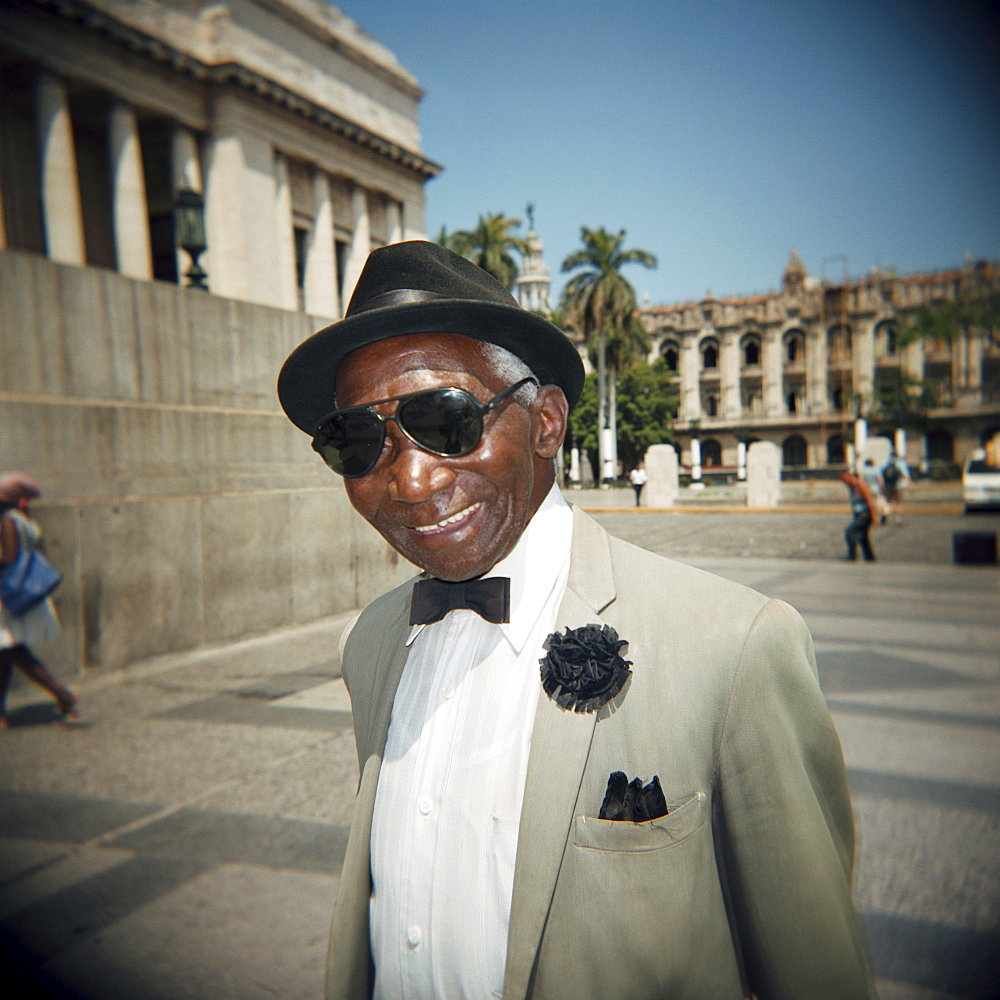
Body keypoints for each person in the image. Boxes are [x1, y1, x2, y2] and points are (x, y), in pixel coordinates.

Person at [277, 241, 874, 1000]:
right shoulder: (368, 644)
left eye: (447, 420)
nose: (411, 476)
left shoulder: (734, 647)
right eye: (358, 441)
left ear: (548, 423)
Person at [0, 473, 78, 727]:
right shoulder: (27, 521)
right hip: (24, 594)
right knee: (8, 653)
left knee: (13, 652)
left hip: (8, 596)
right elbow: (41, 555)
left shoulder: (7, 521)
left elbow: (8, 559)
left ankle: (63, 695)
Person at [840, 469, 877, 562]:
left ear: (850, 477)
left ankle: (852, 556)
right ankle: (870, 558)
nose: (844, 482)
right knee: (863, 538)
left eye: (845, 479)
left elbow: (870, 502)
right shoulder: (851, 487)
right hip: (859, 515)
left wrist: (873, 517)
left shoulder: (861, 485)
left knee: (850, 532)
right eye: (842, 480)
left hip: (865, 515)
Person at [881, 451, 911, 524]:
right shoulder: (901, 463)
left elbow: (881, 475)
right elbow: (905, 476)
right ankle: (897, 518)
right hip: (898, 486)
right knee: (898, 502)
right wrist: (908, 484)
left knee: (888, 501)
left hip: (888, 486)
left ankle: (886, 513)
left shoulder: (886, 464)